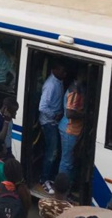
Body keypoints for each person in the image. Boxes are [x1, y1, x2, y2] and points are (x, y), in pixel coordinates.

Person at [39, 62, 66, 194]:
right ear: (54, 69)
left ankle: (50, 176)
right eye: (61, 70)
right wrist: (54, 115)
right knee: (51, 152)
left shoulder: (59, 81)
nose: (64, 73)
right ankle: (44, 179)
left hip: (55, 122)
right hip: (49, 123)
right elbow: (42, 107)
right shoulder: (50, 85)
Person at [58, 69, 87, 183]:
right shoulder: (75, 91)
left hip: (72, 129)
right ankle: (61, 190)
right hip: (69, 130)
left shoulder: (77, 87)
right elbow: (69, 113)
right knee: (67, 162)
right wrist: (86, 115)